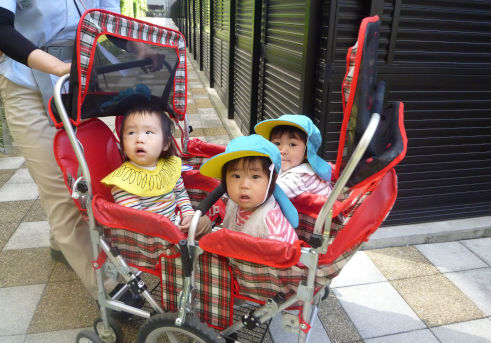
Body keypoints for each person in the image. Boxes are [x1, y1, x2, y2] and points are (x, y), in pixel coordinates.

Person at [0, 2, 156, 306]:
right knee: (63, 188)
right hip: (29, 83)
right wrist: (56, 66)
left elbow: (108, 22)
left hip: (77, 80)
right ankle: (109, 286)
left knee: (89, 172)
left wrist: (138, 48)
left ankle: (61, 242)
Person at [101, 102, 212, 236]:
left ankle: (197, 250)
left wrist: (188, 214)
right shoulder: (125, 181)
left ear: (165, 144)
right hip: (155, 239)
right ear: (122, 143)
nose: (139, 139)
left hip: (176, 224)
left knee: (204, 221)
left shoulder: (168, 167)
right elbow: (136, 222)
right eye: (131, 132)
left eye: (148, 132)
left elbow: (180, 194)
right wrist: (170, 231)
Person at [200, 134, 299, 243]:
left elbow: (279, 258)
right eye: (236, 176)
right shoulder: (233, 204)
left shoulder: (270, 223)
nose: (244, 185)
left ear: (272, 180)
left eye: (255, 177)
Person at [254, 114, 333, 198]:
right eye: (277, 143)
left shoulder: (300, 177)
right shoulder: (290, 165)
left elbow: (264, 195)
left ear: (307, 153)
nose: (282, 151)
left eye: (292, 144)